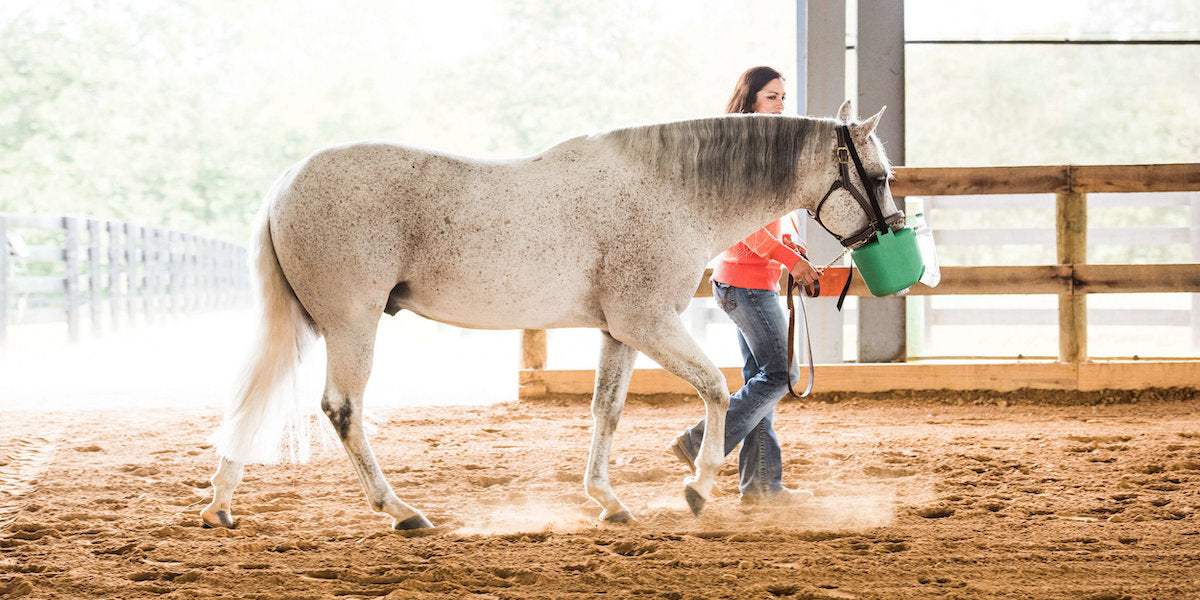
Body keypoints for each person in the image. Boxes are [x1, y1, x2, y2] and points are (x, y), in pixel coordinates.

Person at [670, 66, 819, 505]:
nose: (780, 106)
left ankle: (760, 487)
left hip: (747, 284)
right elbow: (744, 227)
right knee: (780, 374)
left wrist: (794, 246)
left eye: (783, 98)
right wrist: (791, 260)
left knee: (761, 380)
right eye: (772, 97)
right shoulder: (742, 155)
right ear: (750, 98)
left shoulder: (761, 150)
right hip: (747, 286)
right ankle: (701, 442)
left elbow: (773, 218)